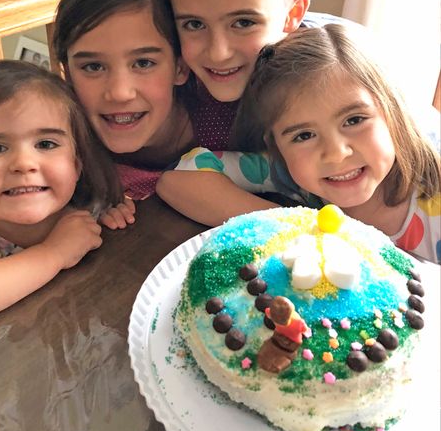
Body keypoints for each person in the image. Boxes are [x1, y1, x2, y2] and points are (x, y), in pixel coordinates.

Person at [174, 24, 441, 264]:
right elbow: (181, 175)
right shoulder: (288, 174)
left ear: (391, 112)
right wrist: (295, 227)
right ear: (276, 144)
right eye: (303, 135)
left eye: (355, 120)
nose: (336, 154)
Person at [156, 0, 330, 218]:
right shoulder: (179, 81)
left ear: (293, 14)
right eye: (194, 24)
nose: (218, 53)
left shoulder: (328, 82)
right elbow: (178, 181)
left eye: (244, 22)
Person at [0, 60, 123, 334]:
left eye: (46, 144)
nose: (24, 163)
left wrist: (116, 220)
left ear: (76, 163)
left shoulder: (92, 208)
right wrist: (53, 253)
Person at [53, 0, 244, 220]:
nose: (120, 93)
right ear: (67, 70)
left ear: (180, 66)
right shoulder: (64, 148)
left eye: (143, 63)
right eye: (93, 66)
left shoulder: (233, 121)